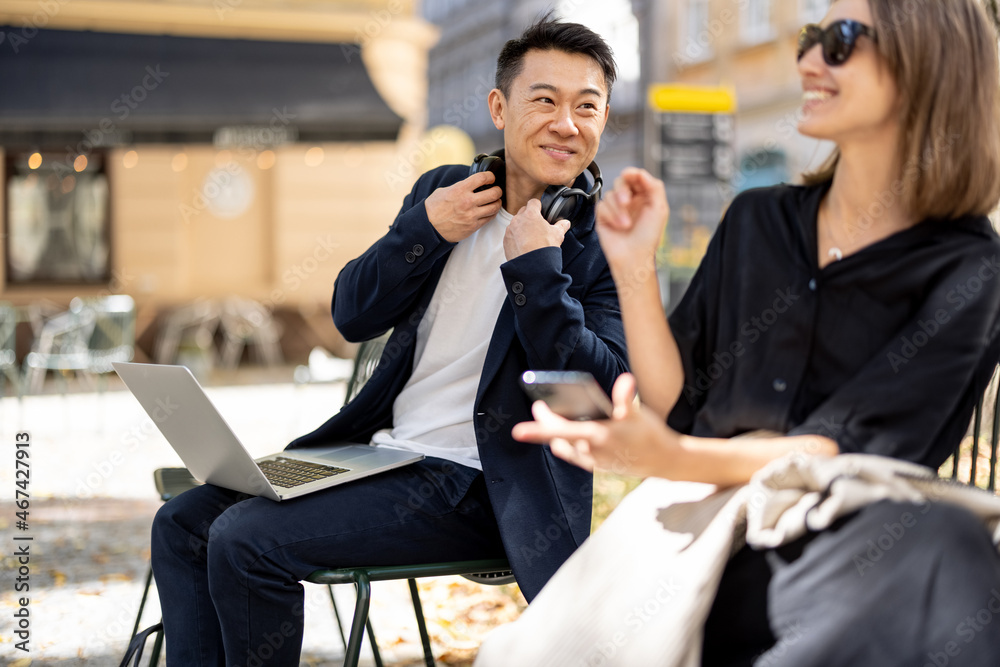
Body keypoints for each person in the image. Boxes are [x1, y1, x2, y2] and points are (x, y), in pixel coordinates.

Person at [503, 0, 1000, 664]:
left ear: (931, 64)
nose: (808, 59)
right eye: (810, 37)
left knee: (942, 545)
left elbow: (847, 451)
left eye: (842, 39)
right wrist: (634, 267)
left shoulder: (970, 266)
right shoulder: (756, 219)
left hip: (847, 543)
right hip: (706, 534)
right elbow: (675, 396)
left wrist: (668, 456)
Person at [148, 15, 628, 666]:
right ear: (499, 106)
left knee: (245, 539)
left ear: (603, 122)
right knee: (182, 523)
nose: (566, 123)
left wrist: (540, 275)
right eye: (544, 99)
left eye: (587, 106)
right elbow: (351, 314)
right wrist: (425, 229)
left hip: (483, 485)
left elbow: (598, 396)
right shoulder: (445, 193)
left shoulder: (603, 241)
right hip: (381, 458)